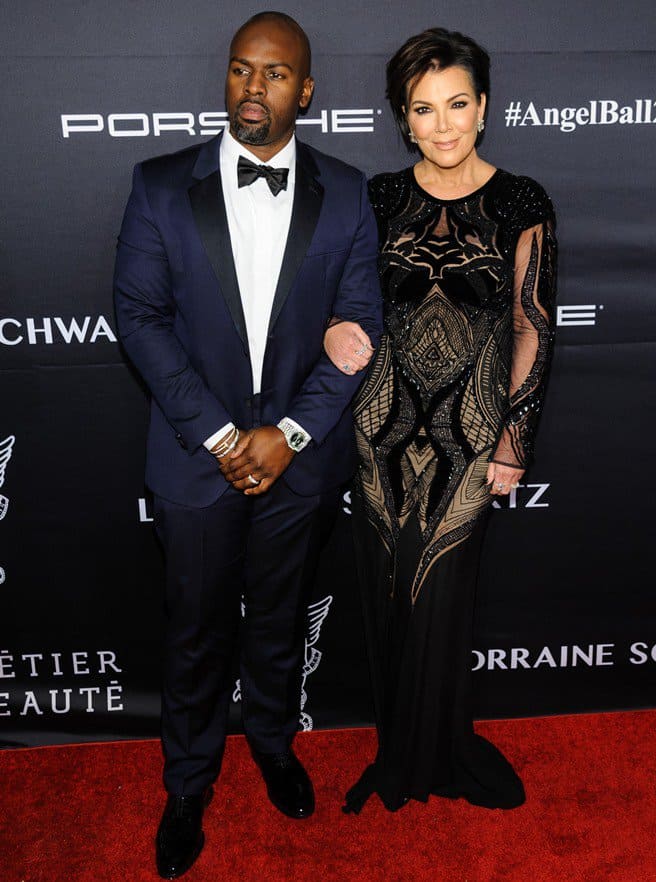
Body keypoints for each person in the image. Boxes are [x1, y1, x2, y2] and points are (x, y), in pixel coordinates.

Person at [113, 11, 382, 878]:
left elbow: (361, 327)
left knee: (276, 619)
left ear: (305, 91)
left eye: (274, 75)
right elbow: (142, 320)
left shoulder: (347, 192)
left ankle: (271, 744)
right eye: (240, 70)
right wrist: (230, 436)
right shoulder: (159, 185)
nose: (252, 88)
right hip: (199, 458)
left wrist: (291, 435)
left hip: (300, 466)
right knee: (194, 630)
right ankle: (188, 783)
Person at [330, 27, 557, 814]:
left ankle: (439, 752)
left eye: (458, 103)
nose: (444, 124)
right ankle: (400, 753)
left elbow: (533, 326)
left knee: (441, 600)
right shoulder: (379, 196)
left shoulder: (521, 201)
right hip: (380, 432)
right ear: (404, 118)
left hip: (469, 436)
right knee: (390, 595)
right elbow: (346, 304)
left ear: (484, 106)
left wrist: (513, 441)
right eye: (424, 109)